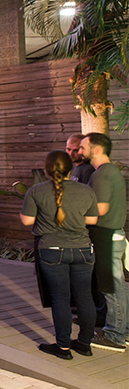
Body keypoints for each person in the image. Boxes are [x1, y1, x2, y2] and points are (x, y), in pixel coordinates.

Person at [20, 150, 99, 359]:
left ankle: (63, 347)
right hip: (83, 250)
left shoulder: (36, 191)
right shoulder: (86, 191)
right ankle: (84, 344)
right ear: (70, 168)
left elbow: (27, 221)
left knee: (60, 298)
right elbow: (92, 221)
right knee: (85, 296)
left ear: (46, 170)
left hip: (52, 250)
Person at [80, 133, 128, 353]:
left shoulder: (102, 174)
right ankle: (122, 331)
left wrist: (73, 215)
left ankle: (114, 335)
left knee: (112, 288)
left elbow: (100, 209)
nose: (80, 151)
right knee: (116, 286)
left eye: (83, 147)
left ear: (96, 149)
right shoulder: (109, 172)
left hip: (106, 236)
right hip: (113, 235)